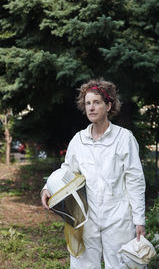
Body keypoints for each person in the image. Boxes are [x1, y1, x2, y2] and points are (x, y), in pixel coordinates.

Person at [41, 79, 146, 269]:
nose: (91, 107)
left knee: (121, 265)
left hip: (118, 217)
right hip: (86, 216)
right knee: (84, 266)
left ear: (109, 105)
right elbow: (67, 172)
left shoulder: (124, 138)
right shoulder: (79, 140)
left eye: (97, 102)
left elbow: (135, 180)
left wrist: (139, 219)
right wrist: (47, 188)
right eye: (88, 103)